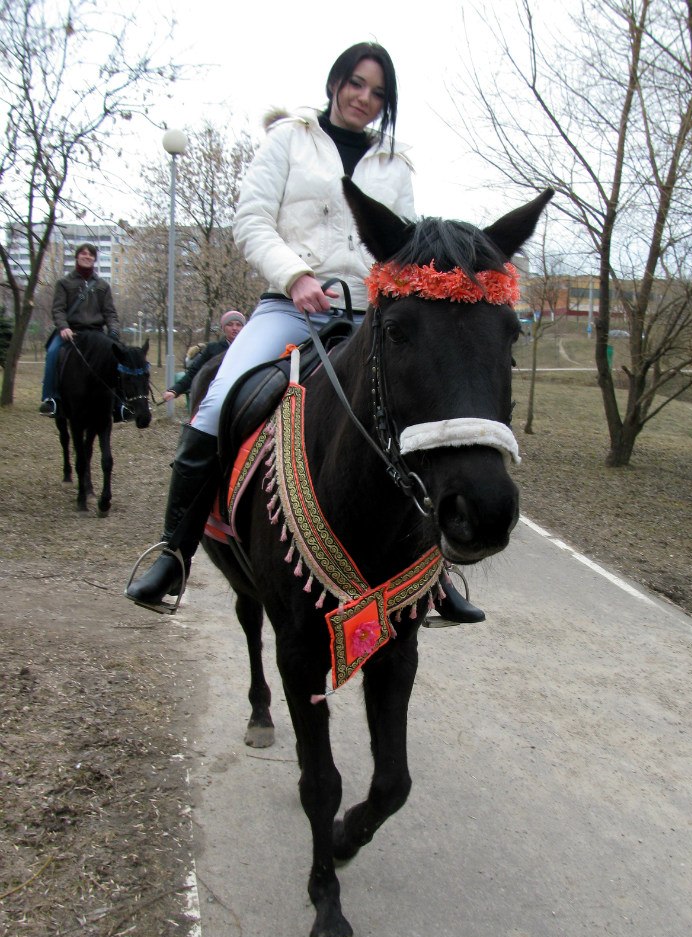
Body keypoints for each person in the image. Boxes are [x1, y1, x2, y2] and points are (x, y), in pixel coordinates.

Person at [125, 41, 484, 624]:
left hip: (368, 315)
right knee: (216, 404)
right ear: (335, 81)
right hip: (291, 307)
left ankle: (436, 572)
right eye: (356, 84)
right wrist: (295, 277)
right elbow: (252, 220)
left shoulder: (396, 164)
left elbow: (405, 248)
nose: (364, 98)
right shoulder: (288, 139)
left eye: (378, 92)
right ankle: (174, 552)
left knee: (422, 416)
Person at [39, 243, 120, 416]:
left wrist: (113, 331)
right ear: (77, 257)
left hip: (96, 332)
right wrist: (63, 327)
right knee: (53, 352)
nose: (87, 256)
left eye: (91, 254)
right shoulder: (64, 283)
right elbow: (58, 309)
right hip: (71, 332)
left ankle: (120, 404)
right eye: (83, 253)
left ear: (94, 259)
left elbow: (110, 313)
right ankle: (50, 398)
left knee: (119, 355)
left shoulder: (102, 286)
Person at [163, 311, 246, 404]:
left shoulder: (252, 349)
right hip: (217, 397)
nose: (234, 328)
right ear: (223, 328)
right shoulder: (212, 349)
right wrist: (175, 390)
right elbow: (194, 372)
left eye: (238, 325)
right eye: (230, 325)